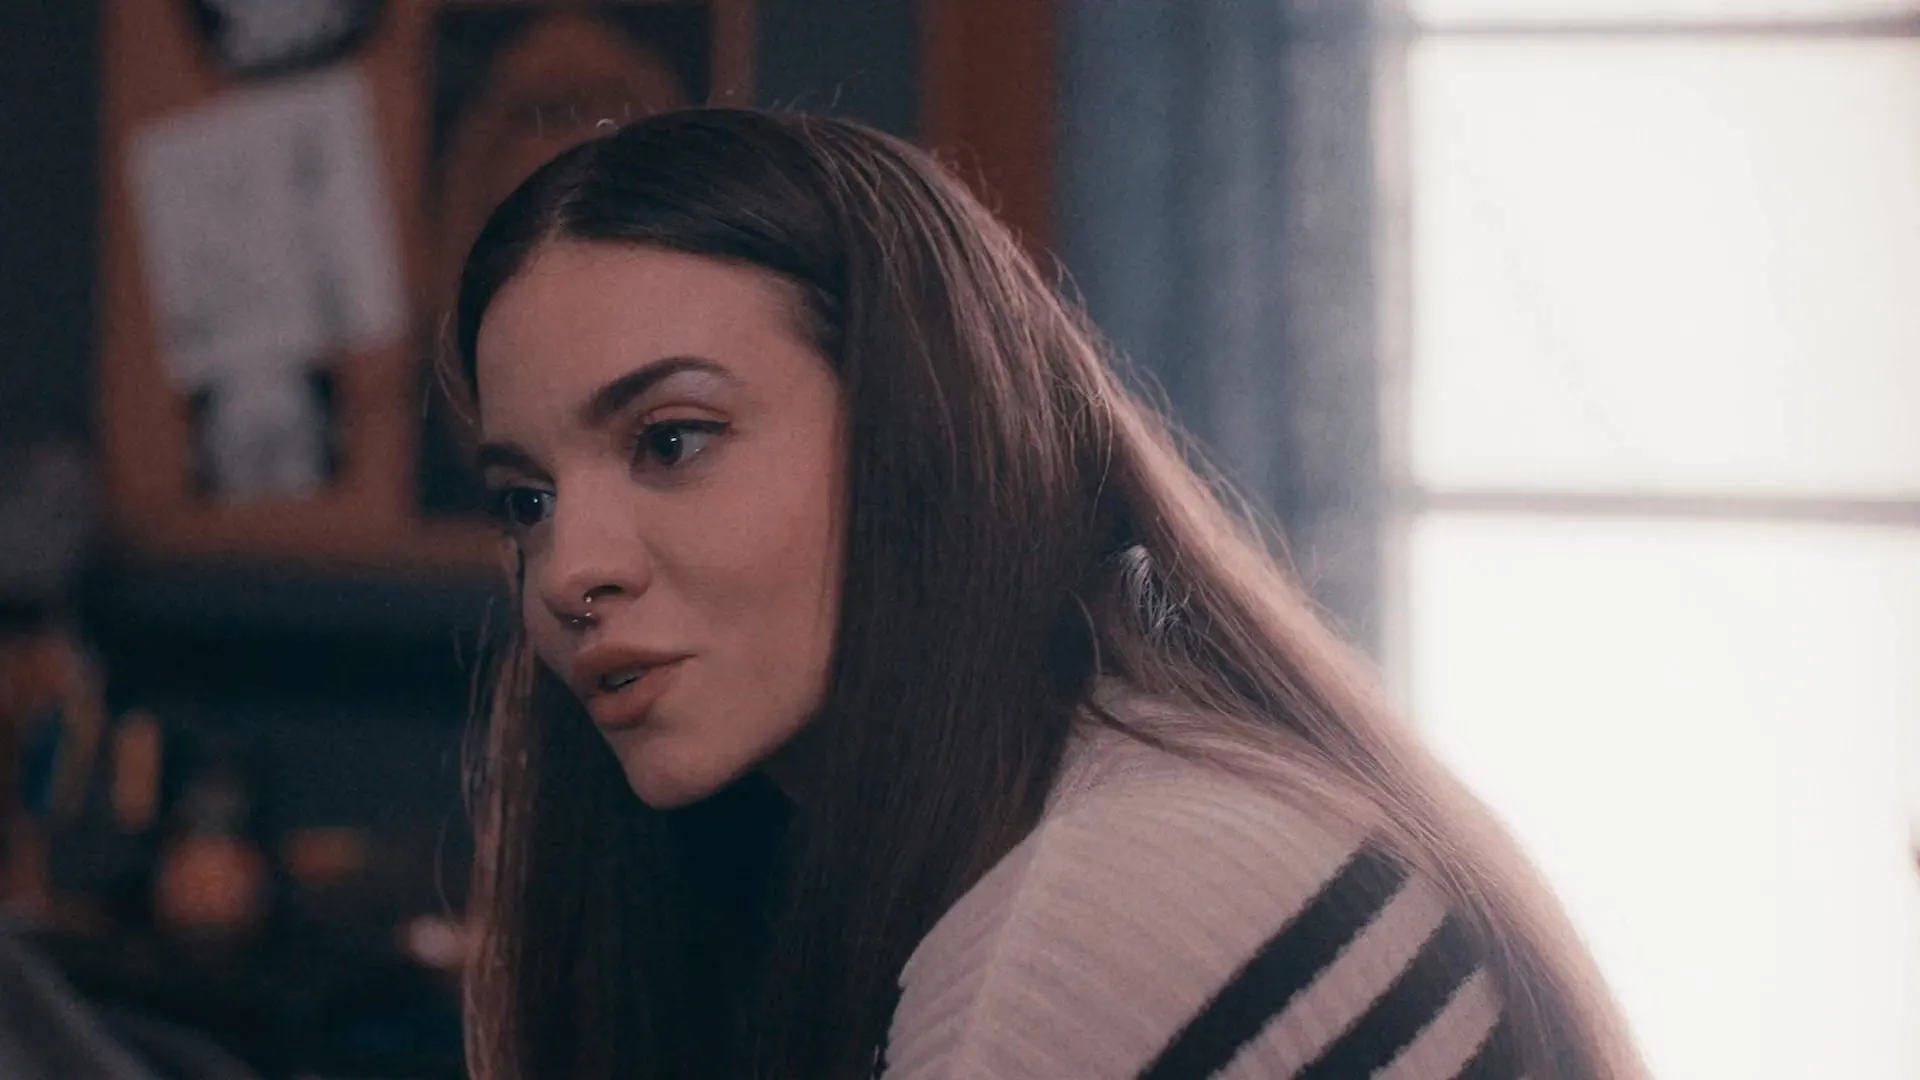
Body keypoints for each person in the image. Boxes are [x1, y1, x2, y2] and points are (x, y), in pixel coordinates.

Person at [451, 108, 1645, 1080]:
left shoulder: (1097, 923)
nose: (569, 571)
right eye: (526, 501)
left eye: (671, 441)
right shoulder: (1125, 795)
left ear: (923, 425)